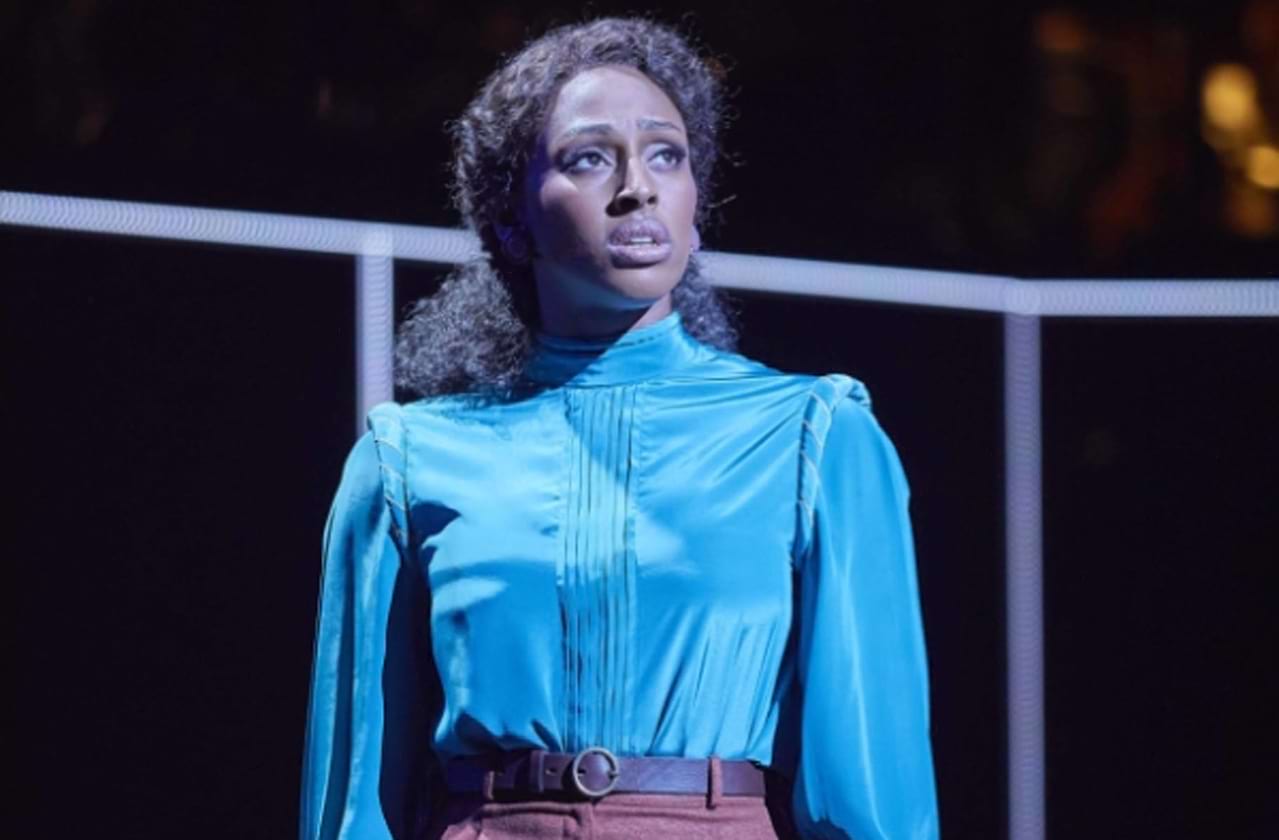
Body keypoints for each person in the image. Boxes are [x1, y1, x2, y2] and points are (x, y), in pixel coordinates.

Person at [300, 17, 938, 840]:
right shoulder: (409, 460)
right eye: (589, 158)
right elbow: (355, 803)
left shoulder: (810, 437)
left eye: (666, 155)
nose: (638, 187)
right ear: (508, 219)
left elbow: (873, 791)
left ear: (696, 208)